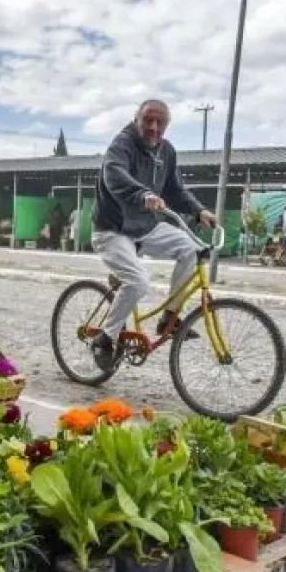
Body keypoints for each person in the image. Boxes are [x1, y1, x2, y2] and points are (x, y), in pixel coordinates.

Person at [89, 99, 217, 370]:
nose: (153, 127)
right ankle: (105, 339)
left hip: (145, 227)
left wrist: (198, 211)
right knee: (138, 280)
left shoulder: (167, 152)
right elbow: (115, 175)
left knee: (192, 249)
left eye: (160, 122)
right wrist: (142, 195)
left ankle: (169, 317)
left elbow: (175, 190)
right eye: (148, 120)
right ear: (137, 119)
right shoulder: (121, 145)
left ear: (167, 125)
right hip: (114, 228)